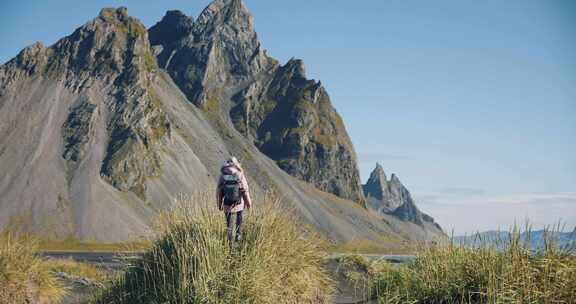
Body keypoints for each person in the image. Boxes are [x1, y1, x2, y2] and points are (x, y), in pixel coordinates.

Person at [216, 156, 252, 244]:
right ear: (236, 164)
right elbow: (245, 190)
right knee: (239, 221)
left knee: (229, 225)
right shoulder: (240, 174)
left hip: (227, 204)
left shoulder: (223, 175)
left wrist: (219, 204)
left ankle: (230, 244)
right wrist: (249, 204)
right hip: (239, 203)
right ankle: (238, 239)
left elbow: (219, 191)